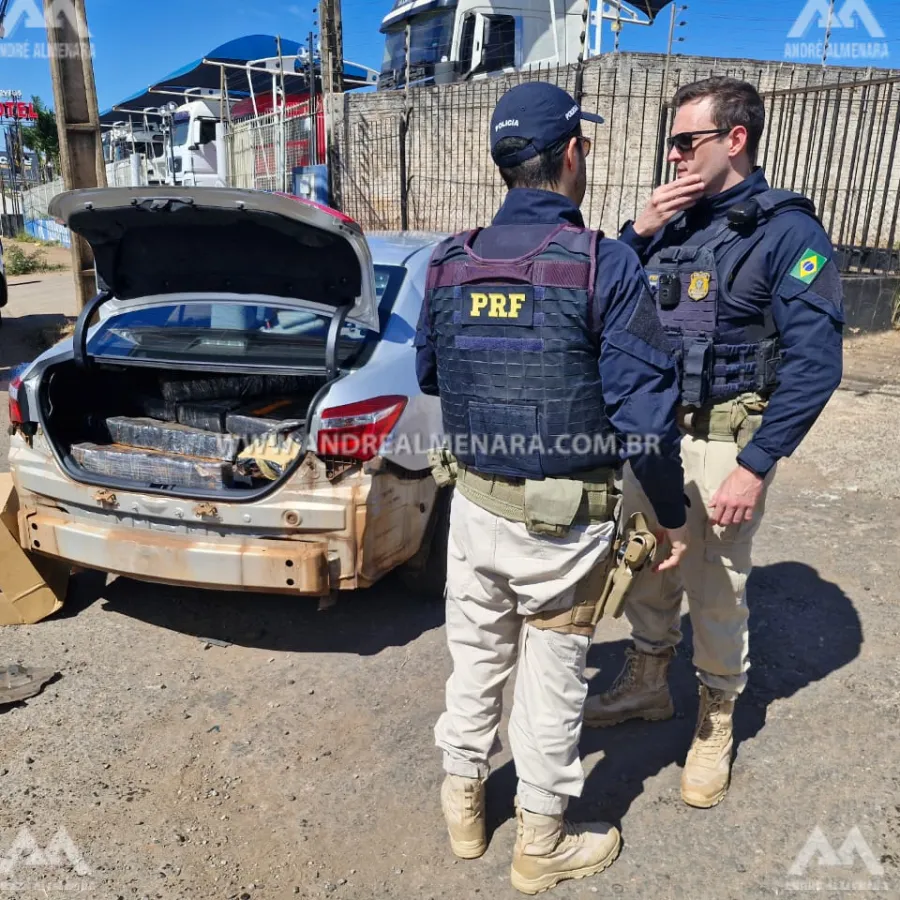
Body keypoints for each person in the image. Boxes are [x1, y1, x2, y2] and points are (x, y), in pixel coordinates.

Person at [414, 81, 690, 895]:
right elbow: (648, 421)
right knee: (553, 677)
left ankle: (463, 810)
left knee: (475, 661)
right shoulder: (603, 264)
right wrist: (669, 519)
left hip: (472, 510)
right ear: (573, 154)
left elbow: (432, 373)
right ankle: (541, 843)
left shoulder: (449, 260)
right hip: (564, 529)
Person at [583, 77, 844, 809]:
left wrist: (756, 467)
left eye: (684, 141)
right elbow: (604, 304)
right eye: (670, 142)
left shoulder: (789, 231)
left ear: (735, 139)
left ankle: (715, 717)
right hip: (655, 437)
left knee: (718, 587)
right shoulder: (667, 221)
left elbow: (817, 362)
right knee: (646, 565)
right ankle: (644, 685)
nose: (670, 156)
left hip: (727, 442)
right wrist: (635, 234)